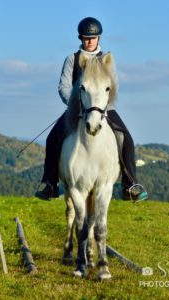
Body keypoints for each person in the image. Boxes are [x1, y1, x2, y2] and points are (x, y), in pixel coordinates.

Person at [35, 17, 148, 202]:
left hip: (104, 109)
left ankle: (130, 185)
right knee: (52, 138)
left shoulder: (107, 61)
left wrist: (101, 106)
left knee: (126, 137)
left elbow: (114, 86)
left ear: (98, 38)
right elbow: (63, 86)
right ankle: (50, 184)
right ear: (80, 38)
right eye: (86, 37)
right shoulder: (72, 59)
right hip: (77, 108)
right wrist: (76, 104)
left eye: (93, 38)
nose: (89, 41)